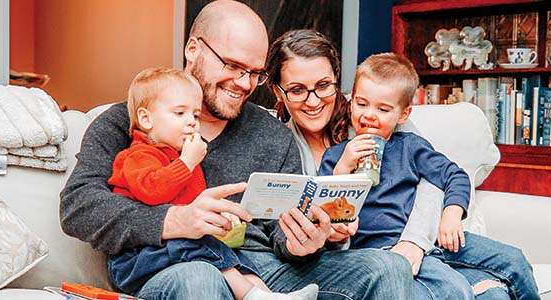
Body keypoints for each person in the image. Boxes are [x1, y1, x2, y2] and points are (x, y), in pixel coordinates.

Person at [59, 1, 413, 299]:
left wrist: (303, 240)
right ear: (193, 49)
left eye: (254, 73)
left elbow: (280, 233)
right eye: (232, 66)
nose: (244, 84)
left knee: (387, 266)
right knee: (200, 278)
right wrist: (174, 219)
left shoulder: (272, 135)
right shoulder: (129, 121)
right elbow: (79, 206)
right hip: (175, 265)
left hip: (265, 272)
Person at [266, 36, 537, 299]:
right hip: (370, 252)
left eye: (323, 85)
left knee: (503, 275)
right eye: (297, 89)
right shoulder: (298, 151)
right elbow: (324, 203)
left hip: (426, 240)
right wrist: (343, 167)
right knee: (453, 287)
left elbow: (438, 179)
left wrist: (431, 230)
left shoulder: (401, 136)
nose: (313, 100)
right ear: (278, 91)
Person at [104, 67, 317, 300]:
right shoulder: (137, 156)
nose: (191, 123)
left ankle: (273, 297)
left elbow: (195, 204)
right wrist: (187, 162)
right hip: (139, 257)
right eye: (179, 113)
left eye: (195, 115)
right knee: (207, 252)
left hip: (177, 248)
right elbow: (152, 190)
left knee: (235, 259)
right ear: (146, 118)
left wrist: (221, 216)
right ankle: (257, 297)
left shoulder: (182, 158)